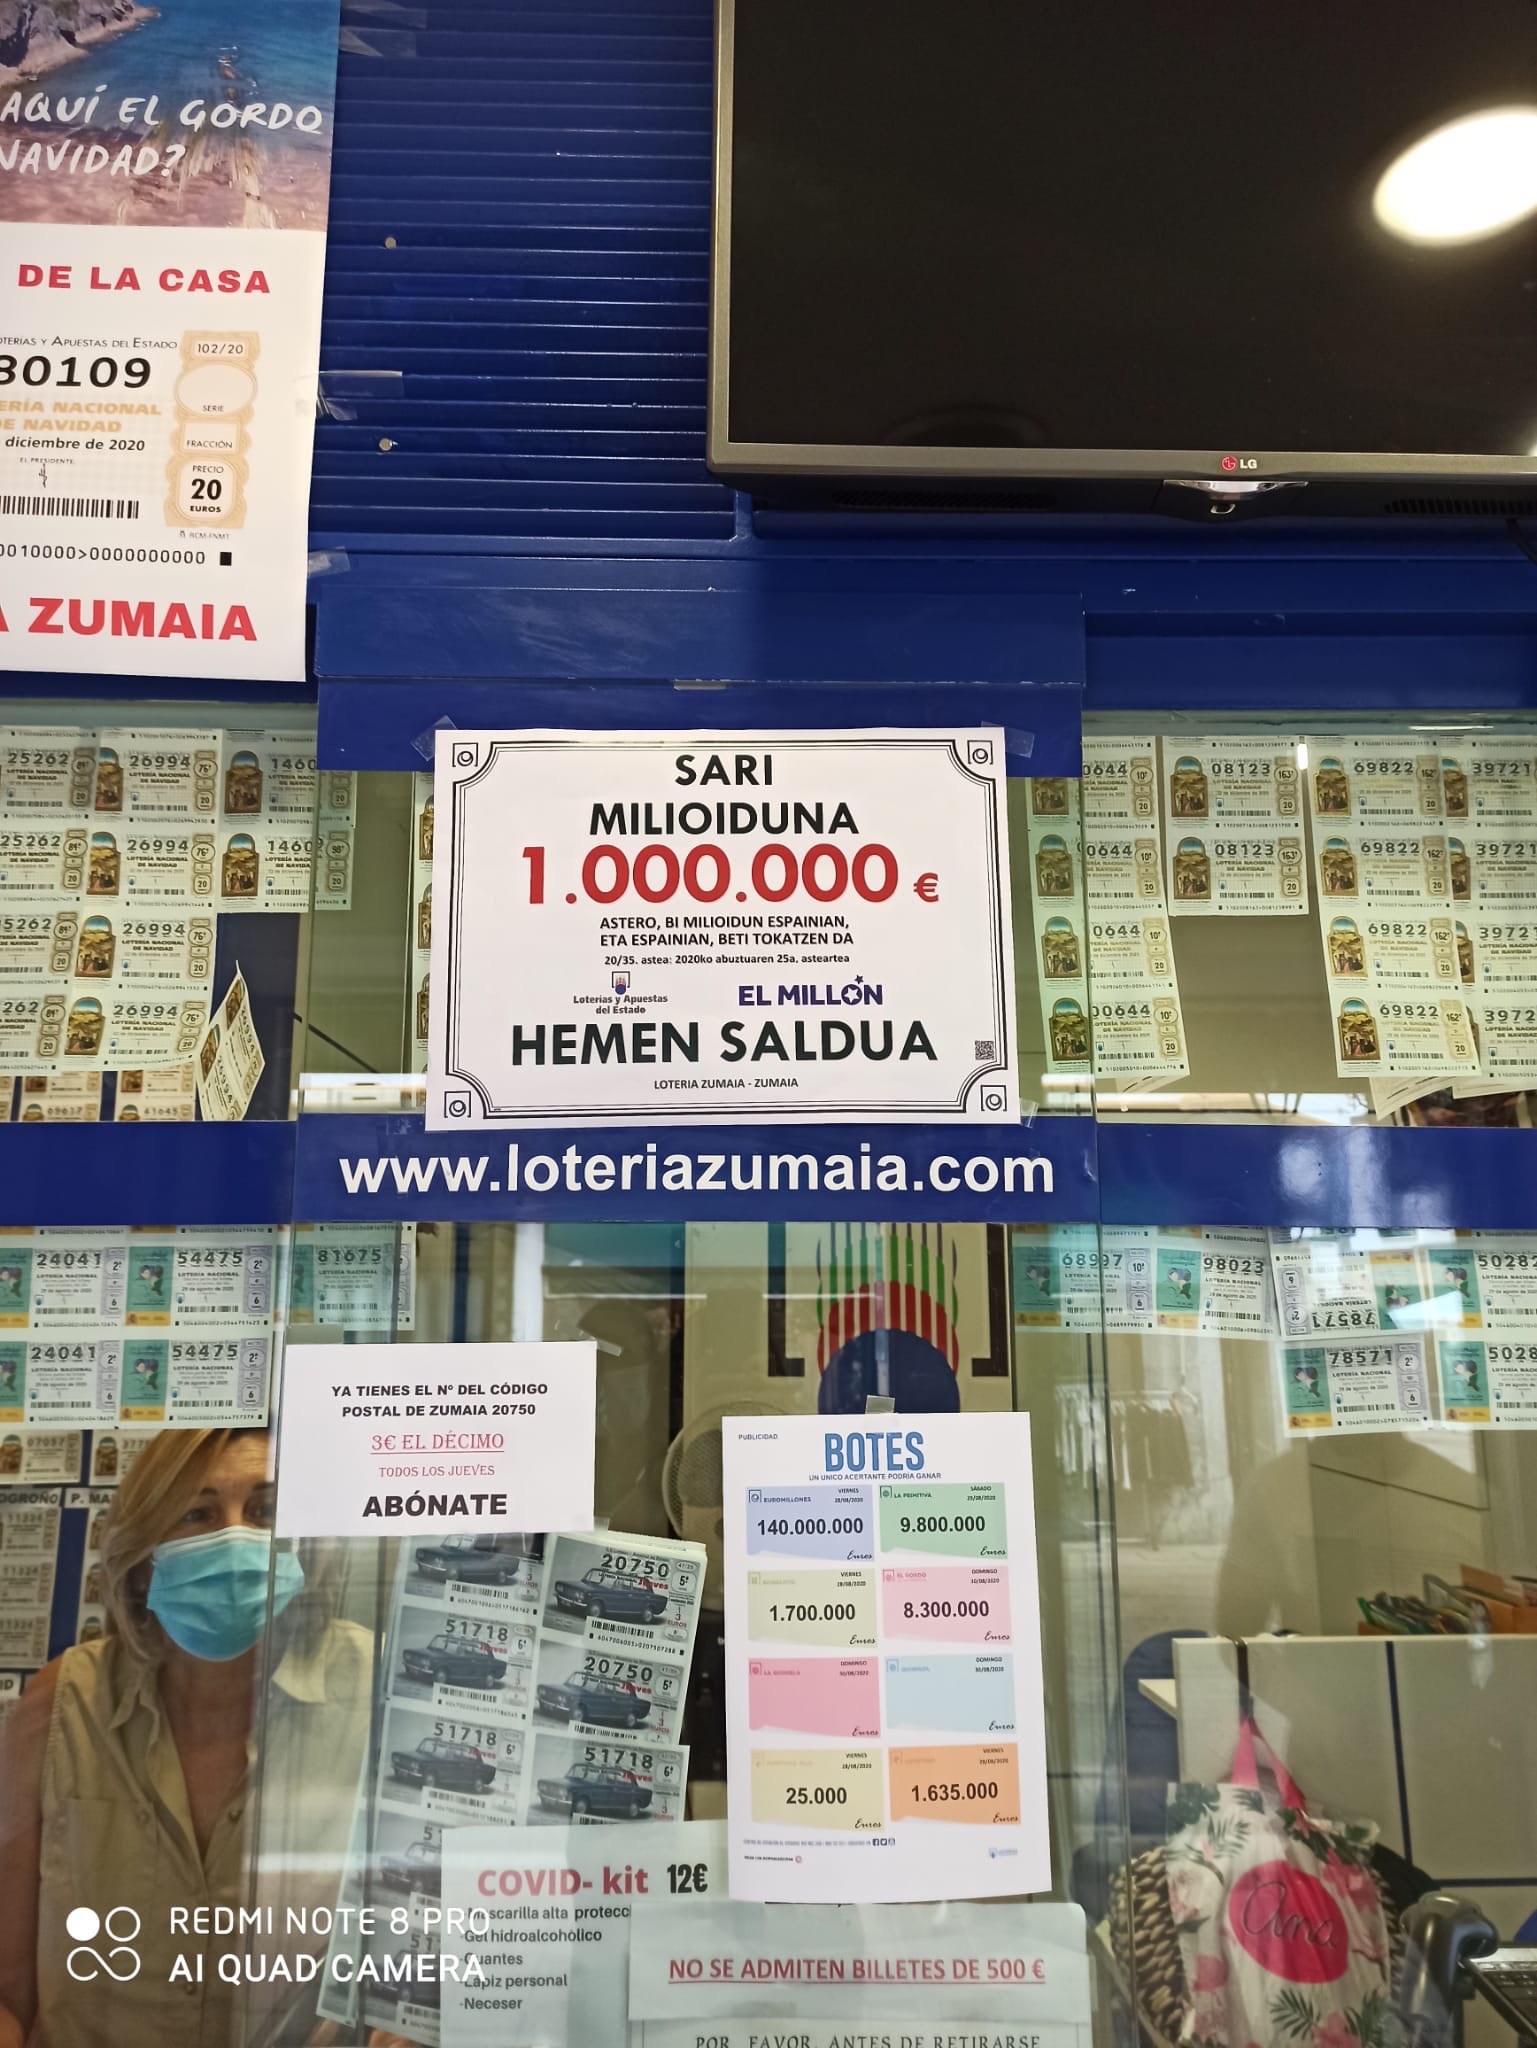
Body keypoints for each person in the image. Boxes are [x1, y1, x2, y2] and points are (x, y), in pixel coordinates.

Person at [0, 1428, 399, 2048]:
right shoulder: (62, 1705)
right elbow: (8, 1991)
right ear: (142, 1559)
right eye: (198, 1514)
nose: (235, 1538)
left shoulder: (383, 1696)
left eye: (265, 1510)